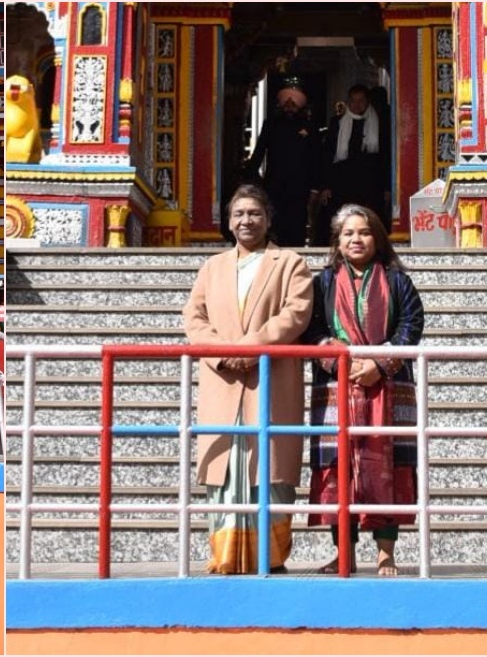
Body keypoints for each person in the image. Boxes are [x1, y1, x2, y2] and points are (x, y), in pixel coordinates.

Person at [182, 184, 314, 574]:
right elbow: (194, 317)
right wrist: (224, 352)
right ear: (228, 221)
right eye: (238, 214)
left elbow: (295, 314)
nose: (246, 221)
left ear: (269, 219)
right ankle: (224, 555)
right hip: (223, 381)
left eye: (254, 213)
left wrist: (249, 348)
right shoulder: (213, 267)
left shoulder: (290, 263)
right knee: (225, 468)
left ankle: (270, 556)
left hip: (269, 378)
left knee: (269, 468)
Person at [302, 204, 425, 576]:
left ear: (377, 239)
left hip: (387, 384)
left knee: (389, 465)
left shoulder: (397, 280)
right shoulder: (322, 282)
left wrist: (379, 365)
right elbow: (311, 328)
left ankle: (386, 552)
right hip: (336, 385)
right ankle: (345, 552)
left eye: (364, 232)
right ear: (337, 243)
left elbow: (412, 323)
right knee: (338, 469)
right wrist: (338, 360)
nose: (357, 240)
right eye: (348, 234)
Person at [243, 77, 321, 248]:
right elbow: (259, 152)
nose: (290, 106)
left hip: (301, 185)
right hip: (274, 183)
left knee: (297, 225)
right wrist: (251, 177)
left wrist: (316, 186)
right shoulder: (271, 125)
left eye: (294, 103)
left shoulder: (309, 126)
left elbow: (316, 158)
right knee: (275, 223)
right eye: (286, 102)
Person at [318, 84, 390, 247]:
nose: (357, 105)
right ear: (348, 102)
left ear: (367, 102)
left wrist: (387, 187)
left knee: (370, 220)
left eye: (361, 101)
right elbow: (328, 155)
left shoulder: (379, 122)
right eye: (353, 101)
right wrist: (325, 185)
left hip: (371, 182)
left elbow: (385, 156)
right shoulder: (337, 123)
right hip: (342, 182)